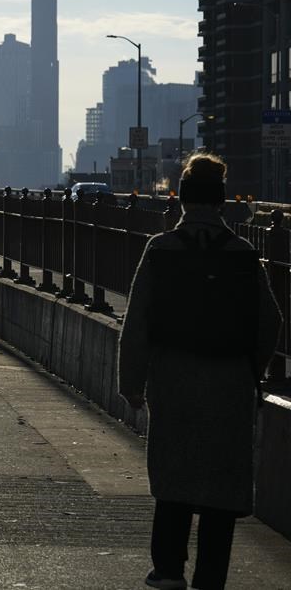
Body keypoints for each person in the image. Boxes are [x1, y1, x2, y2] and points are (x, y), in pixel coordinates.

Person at [118, 153, 281, 590]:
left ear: (184, 201)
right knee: (220, 485)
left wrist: (131, 382)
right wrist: (253, 370)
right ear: (223, 202)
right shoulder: (244, 254)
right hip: (229, 383)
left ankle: (168, 569)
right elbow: (271, 322)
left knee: (174, 475)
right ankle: (210, 577)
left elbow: (137, 322)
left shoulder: (161, 250)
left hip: (173, 378)